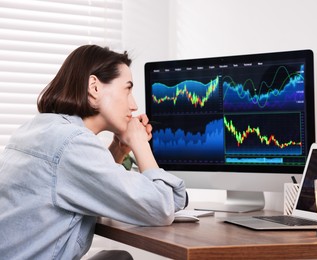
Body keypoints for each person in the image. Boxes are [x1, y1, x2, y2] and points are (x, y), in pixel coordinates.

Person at [0, 45, 188, 259]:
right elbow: (161, 208)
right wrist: (140, 143)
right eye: (127, 89)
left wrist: (119, 148)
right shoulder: (72, 144)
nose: (134, 105)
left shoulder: (40, 129)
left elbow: (82, 181)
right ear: (94, 87)